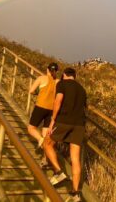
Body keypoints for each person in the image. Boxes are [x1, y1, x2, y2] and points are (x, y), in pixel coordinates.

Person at [45, 67, 87, 202]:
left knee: (48, 143)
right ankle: (75, 193)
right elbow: (85, 107)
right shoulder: (82, 89)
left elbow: (58, 101)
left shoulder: (61, 84)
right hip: (79, 125)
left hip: (63, 121)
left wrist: (52, 121)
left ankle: (58, 172)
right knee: (75, 158)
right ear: (75, 76)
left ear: (64, 75)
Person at [28, 63, 59, 151]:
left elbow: (31, 91)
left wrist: (38, 93)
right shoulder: (58, 82)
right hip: (51, 109)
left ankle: (40, 139)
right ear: (56, 71)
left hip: (40, 107)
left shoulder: (41, 78)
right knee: (46, 132)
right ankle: (45, 157)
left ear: (47, 69)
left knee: (31, 128)